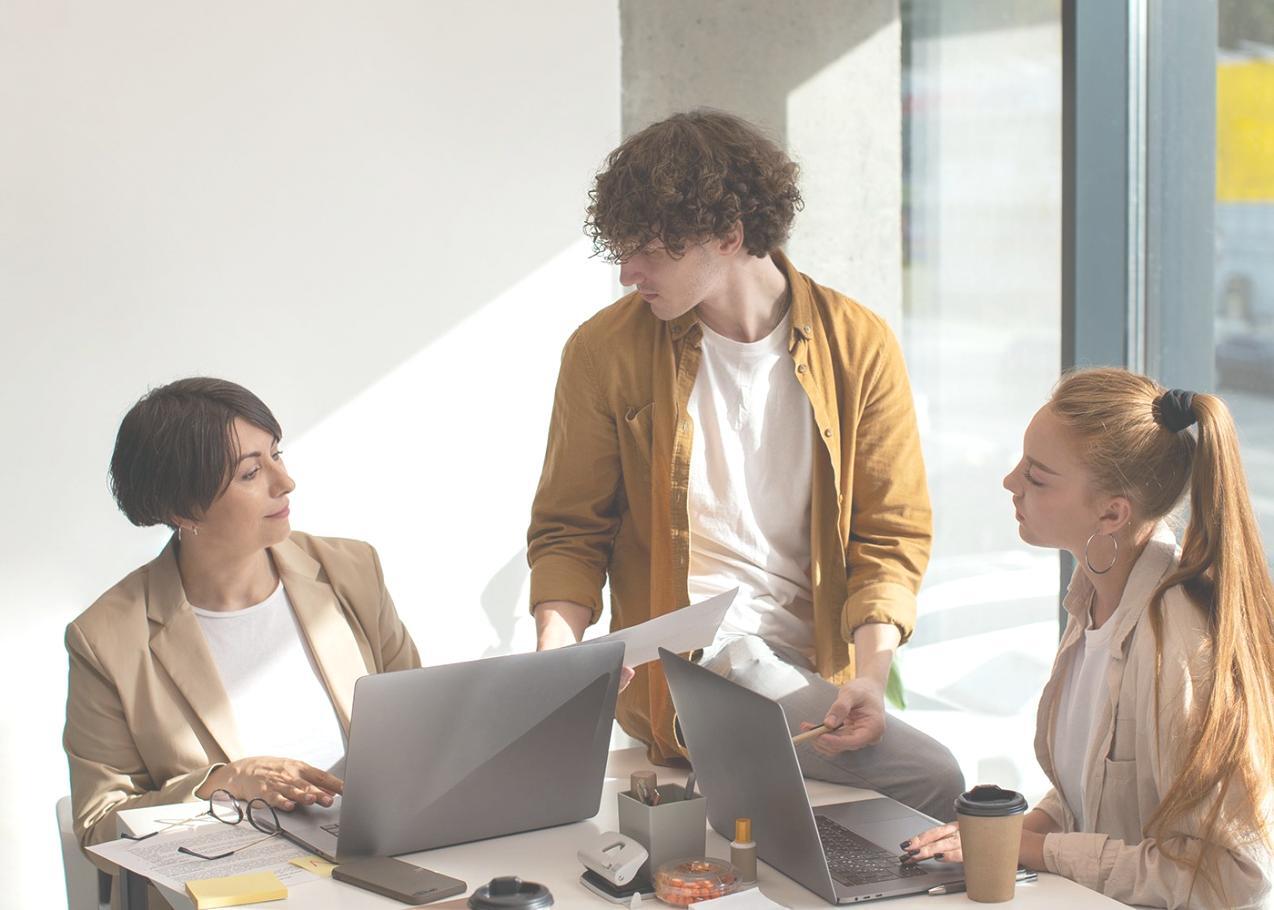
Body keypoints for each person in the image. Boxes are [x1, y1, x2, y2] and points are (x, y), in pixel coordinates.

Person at [527, 109, 963, 821]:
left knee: (920, 789)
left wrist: (874, 673)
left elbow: (889, 535)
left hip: (813, 678)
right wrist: (556, 654)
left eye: (652, 251)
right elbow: (570, 531)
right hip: (695, 676)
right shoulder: (603, 352)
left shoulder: (858, 345)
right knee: (938, 779)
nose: (627, 272)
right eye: (621, 248)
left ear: (729, 237)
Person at [903, 369, 1274, 908]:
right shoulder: (1096, 600)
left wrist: (1036, 851)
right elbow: (1100, 786)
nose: (1010, 482)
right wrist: (1017, 833)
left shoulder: (1180, 648)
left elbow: (1234, 875)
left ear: (1112, 512)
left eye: (1037, 476)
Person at [64, 378, 420, 861]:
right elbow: (99, 827)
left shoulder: (351, 570)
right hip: (229, 883)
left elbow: (424, 731)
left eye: (277, 455)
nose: (284, 482)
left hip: (377, 862)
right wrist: (220, 783)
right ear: (182, 507)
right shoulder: (105, 638)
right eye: (251, 473)